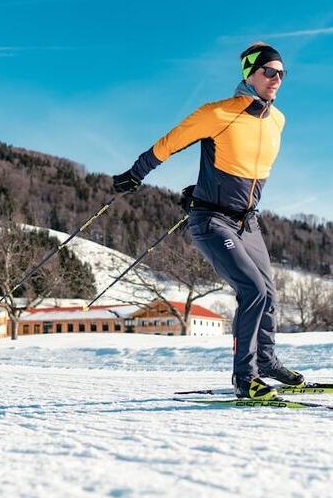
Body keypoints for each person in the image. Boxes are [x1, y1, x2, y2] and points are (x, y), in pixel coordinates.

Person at [112, 42, 303, 400]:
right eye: (269, 71)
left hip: (248, 222)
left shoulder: (278, 120)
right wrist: (135, 174)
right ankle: (245, 378)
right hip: (211, 220)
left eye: (282, 73)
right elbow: (170, 143)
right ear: (250, 73)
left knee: (269, 294)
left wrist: (207, 182)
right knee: (253, 291)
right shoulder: (218, 112)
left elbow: (238, 166)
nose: (276, 79)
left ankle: (267, 360)